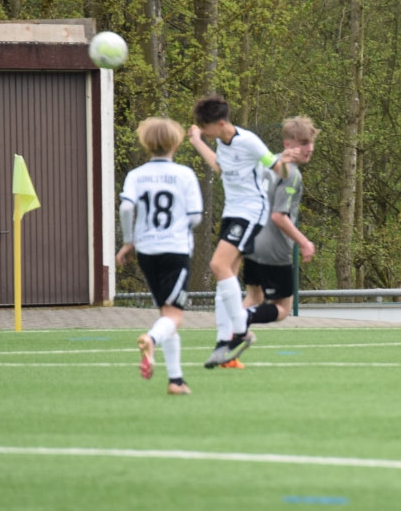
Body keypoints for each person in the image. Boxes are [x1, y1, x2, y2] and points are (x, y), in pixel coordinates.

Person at [189, 96, 302, 369]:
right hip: (232, 212)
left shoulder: (249, 141)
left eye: (205, 127)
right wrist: (198, 142)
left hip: (251, 211)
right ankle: (223, 341)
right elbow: (220, 168)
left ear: (220, 123)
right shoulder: (220, 142)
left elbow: (278, 169)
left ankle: (240, 330)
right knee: (224, 275)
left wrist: (285, 161)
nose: (203, 130)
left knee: (217, 265)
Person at [219, 116, 320, 369]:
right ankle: (240, 320)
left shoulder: (266, 163)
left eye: (311, 143)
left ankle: (228, 350)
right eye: (303, 143)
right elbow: (279, 216)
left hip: (250, 240)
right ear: (288, 144)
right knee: (283, 308)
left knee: (254, 295)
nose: (309, 148)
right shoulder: (291, 174)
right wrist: (304, 242)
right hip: (273, 247)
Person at [117, 117, 203, 395]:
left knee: (166, 315)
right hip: (175, 250)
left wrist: (128, 241)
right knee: (174, 316)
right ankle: (151, 340)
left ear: (146, 144)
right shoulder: (184, 175)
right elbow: (195, 217)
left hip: (146, 251)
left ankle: (176, 381)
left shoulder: (136, 175)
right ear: (176, 144)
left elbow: (126, 208)